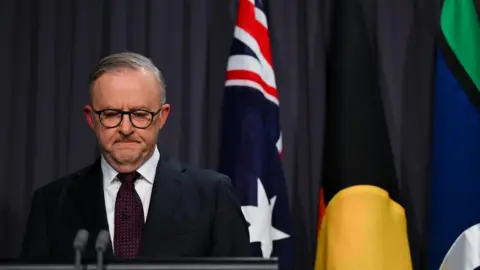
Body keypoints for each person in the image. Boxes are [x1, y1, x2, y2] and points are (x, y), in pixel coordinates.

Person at [20, 52, 250, 261]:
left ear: (162, 116)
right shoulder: (51, 203)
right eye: (111, 114)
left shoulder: (212, 196)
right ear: (91, 119)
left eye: (140, 114)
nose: (126, 128)